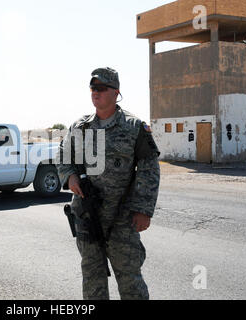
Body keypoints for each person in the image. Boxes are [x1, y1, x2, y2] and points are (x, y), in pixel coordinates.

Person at [56, 67, 160, 300]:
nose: (96, 92)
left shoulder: (134, 128)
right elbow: (63, 156)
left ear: (116, 92)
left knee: (130, 279)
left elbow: (149, 169)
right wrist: (70, 176)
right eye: (93, 88)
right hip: (87, 216)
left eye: (102, 88)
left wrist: (143, 209)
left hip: (123, 217)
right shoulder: (80, 127)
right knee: (93, 280)